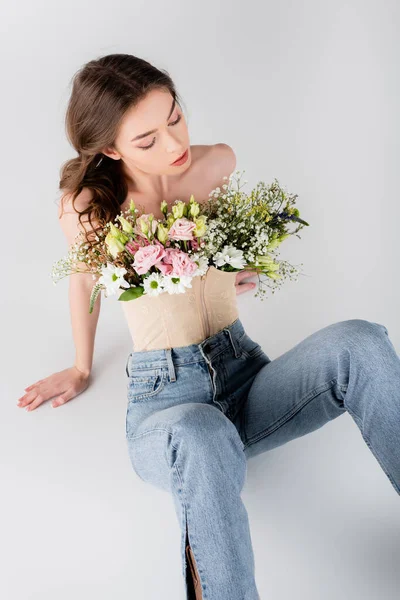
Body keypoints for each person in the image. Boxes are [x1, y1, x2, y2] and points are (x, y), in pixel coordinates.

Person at [17, 54, 400, 600]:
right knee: (202, 433)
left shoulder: (214, 163)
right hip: (168, 406)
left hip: (245, 371)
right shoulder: (90, 205)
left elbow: (212, 252)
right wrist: (81, 368)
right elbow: (84, 282)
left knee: (360, 340)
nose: (173, 144)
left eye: (174, 118)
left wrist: (228, 272)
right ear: (109, 149)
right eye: (146, 140)